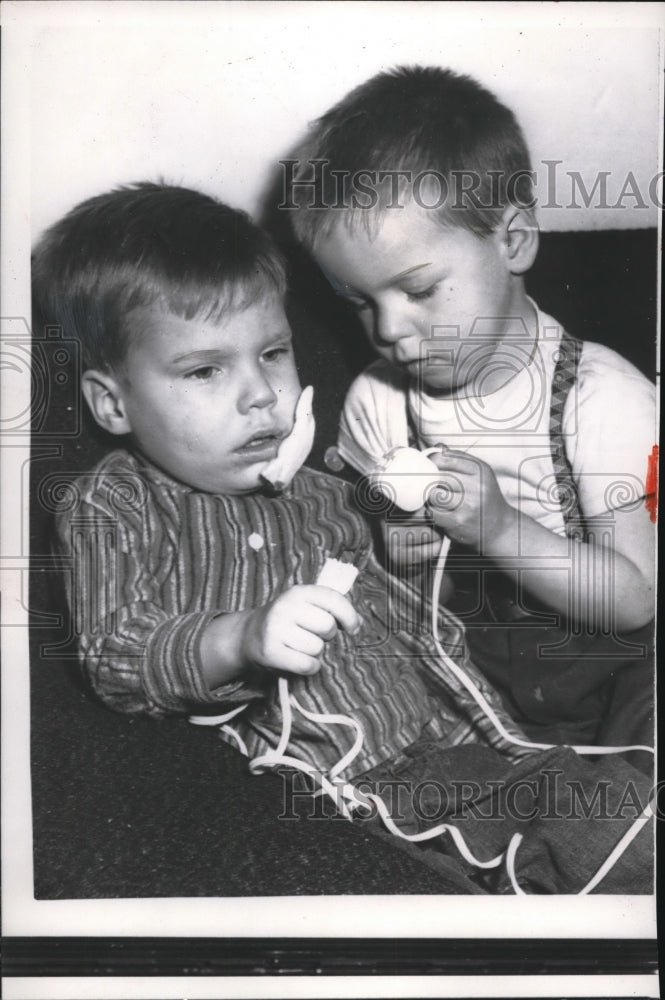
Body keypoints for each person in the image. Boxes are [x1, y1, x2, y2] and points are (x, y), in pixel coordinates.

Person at [32, 181, 653, 894]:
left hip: (477, 735)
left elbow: (417, 617)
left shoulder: (324, 491)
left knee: (614, 796)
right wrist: (239, 638)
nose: (261, 395)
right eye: (205, 370)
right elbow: (113, 655)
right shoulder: (114, 503)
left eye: (271, 353)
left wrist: (415, 537)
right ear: (112, 402)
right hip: (370, 778)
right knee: (610, 836)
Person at [287, 66, 656, 756]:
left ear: (512, 240)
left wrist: (497, 527)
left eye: (418, 289)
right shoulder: (378, 402)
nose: (389, 330)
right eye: (359, 302)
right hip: (477, 658)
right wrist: (402, 554)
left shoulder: (604, 399)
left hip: (618, 662)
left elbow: (636, 599)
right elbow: (403, 578)